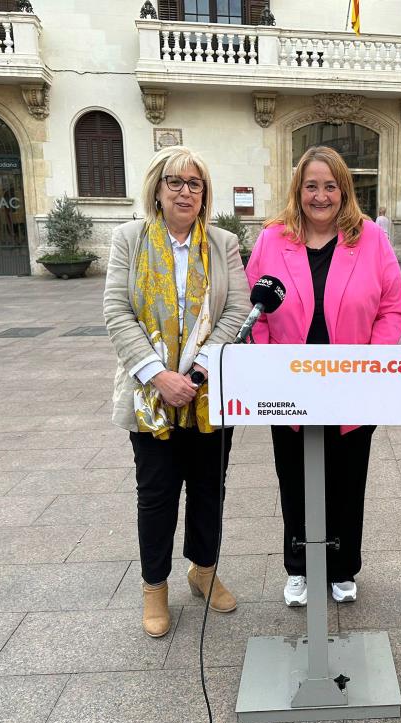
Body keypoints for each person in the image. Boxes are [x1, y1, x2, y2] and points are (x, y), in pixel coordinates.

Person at [245, 146, 401, 607]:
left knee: (347, 476)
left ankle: (342, 567)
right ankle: (298, 565)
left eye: (330, 186)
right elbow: (253, 309)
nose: (320, 196)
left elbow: (392, 307)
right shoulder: (273, 238)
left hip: (352, 385)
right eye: (311, 186)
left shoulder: (370, 238)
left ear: (344, 190)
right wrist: (269, 362)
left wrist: (372, 366)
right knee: (293, 477)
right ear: (299, 190)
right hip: (290, 386)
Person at [103, 146, 251, 638]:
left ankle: (204, 571)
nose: (185, 191)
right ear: (157, 188)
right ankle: (154, 587)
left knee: (210, 489)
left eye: (194, 183)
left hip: (209, 396)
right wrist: (158, 375)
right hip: (152, 397)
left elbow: (237, 311)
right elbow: (117, 312)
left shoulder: (224, 243)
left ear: (204, 193)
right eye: (175, 182)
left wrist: (198, 372)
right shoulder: (129, 240)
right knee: (158, 494)